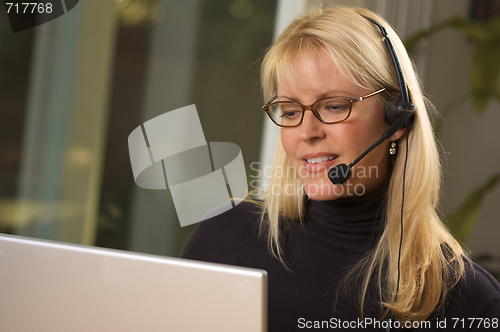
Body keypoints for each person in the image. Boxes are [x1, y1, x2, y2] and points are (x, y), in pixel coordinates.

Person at [181, 6, 500, 331]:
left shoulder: (470, 300)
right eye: (290, 112)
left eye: (334, 106)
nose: (307, 132)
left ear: (397, 119)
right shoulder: (224, 239)